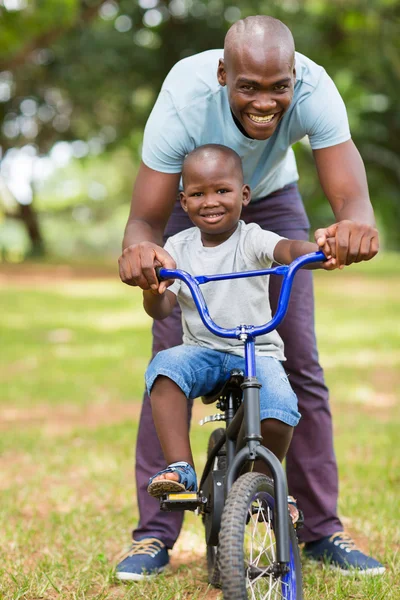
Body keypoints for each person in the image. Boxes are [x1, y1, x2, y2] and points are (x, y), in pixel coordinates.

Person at [116, 15, 382, 580]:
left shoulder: (313, 86)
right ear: (222, 75)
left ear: (294, 77)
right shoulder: (183, 100)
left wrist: (353, 228)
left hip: (273, 202)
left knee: (297, 357)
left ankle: (318, 527)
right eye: (248, 87)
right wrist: (143, 255)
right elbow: (144, 218)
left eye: (278, 87)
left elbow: (352, 200)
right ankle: (154, 534)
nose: (266, 101)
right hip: (193, 202)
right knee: (171, 356)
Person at [143, 144, 336, 502]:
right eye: (198, 194)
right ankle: (181, 469)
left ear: (244, 195)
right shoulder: (177, 246)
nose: (210, 201)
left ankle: (262, 486)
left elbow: (288, 250)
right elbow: (162, 307)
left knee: (279, 413)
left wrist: (317, 251)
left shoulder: (253, 238)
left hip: (258, 352)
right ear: (183, 202)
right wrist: (153, 290)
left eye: (222, 190)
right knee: (165, 367)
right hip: (202, 350)